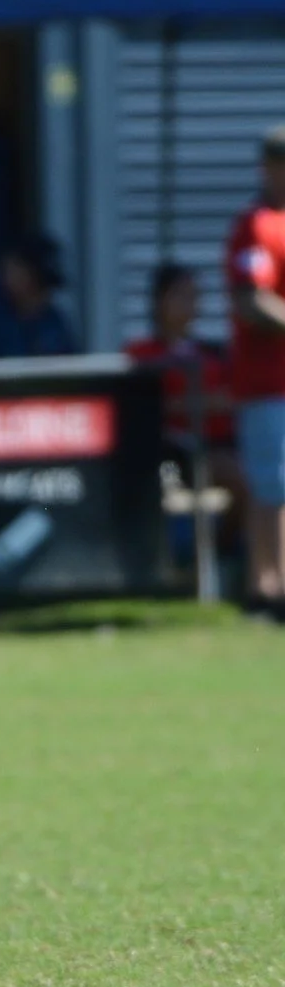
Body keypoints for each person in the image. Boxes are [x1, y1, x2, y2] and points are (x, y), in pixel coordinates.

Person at [225, 126, 285, 619]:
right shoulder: (257, 225)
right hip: (268, 384)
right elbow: (251, 301)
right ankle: (268, 588)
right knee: (274, 488)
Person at [125, 263, 240, 521]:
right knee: (244, 478)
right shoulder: (141, 355)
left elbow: (232, 398)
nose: (190, 303)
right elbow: (140, 408)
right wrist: (195, 404)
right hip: (174, 456)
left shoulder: (213, 353)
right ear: (159, 301)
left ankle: (224, 553)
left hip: (226, 445)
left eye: (194, 295)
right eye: (180, 294)